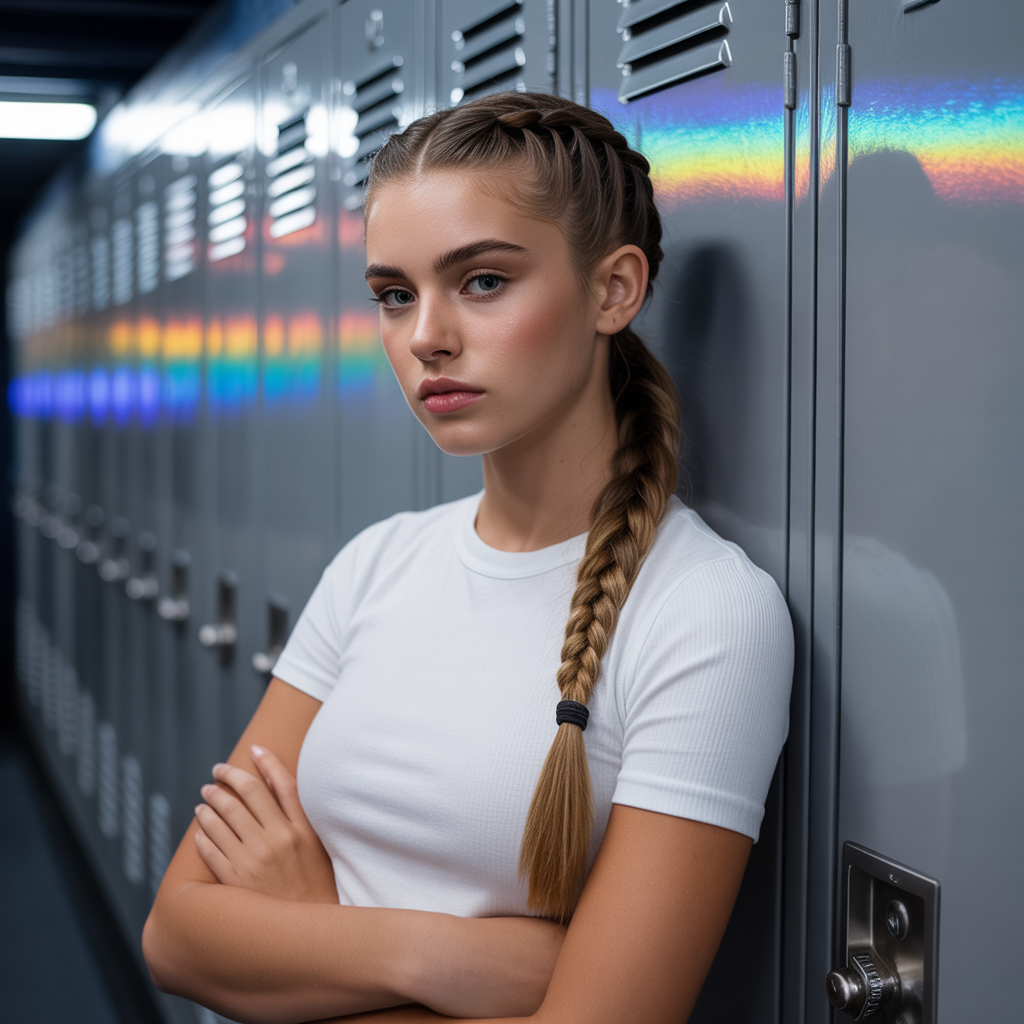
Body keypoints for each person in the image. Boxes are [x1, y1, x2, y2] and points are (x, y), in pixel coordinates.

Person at [142, 91, 793, 1024]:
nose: (425, 338)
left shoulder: (705, 611)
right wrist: (443, 957)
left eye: (483, 281)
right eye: (395, 294)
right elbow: (175, 936)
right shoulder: (375, 564)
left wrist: (304, 934)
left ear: (615, 289)